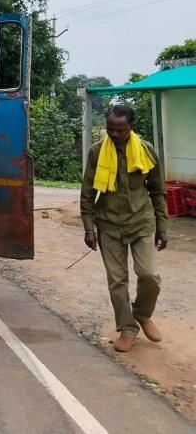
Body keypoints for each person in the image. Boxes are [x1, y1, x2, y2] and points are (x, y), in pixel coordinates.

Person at [80, 104, 169, 353]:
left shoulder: (146, 151)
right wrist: (88, 227)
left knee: (149, 275)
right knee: (117, 281)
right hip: (108, 224)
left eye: (120, 129)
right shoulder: (97, 152)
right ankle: (127, 329)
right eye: (110, 129)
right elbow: (88, 192)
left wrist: (163, 226)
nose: (115, 134)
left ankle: (142, 313)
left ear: (131, 127)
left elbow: (158, 191)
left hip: (141, 222)